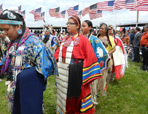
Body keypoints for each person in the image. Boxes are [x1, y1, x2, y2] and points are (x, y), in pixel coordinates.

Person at [0, 9, 58, 114]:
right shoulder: (12, 43)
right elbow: (5, 62)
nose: (4, 33)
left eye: (7, 29)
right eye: (3, 30)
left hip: (29, 93)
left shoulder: (34, 42)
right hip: (13, 91)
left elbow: (46, 66)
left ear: (18, 27)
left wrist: (26, 75)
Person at [54, 16, 102, 114]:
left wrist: (79, 70)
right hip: (64, 74)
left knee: (76, 98)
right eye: (67, 23)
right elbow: (57, 53)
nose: (67, 25)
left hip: (77, 74)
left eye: (70, 23)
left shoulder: (83, 40)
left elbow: (90, 58)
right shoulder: (65, 40)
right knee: (65, 96)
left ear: (77, 26)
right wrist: (56, 62)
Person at [81, 20, 109, 102]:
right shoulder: (78, 37)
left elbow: (102, 53)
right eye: (81, 26)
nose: (81, 28)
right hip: (79, 66)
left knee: (91, 84)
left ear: (90, 28)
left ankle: (90, 101)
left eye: (84, 26)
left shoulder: (94, 39)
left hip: (90, 66)